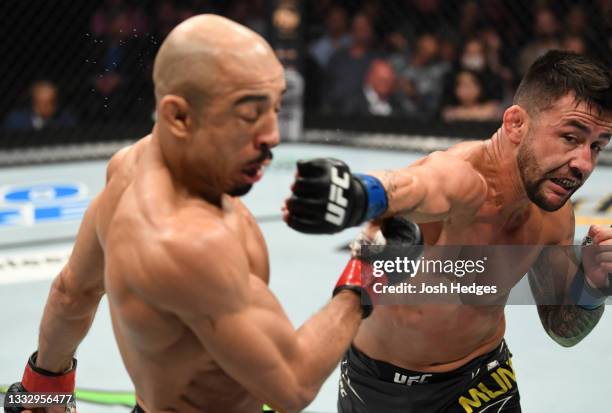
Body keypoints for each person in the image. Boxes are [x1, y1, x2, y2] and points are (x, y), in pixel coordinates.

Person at [5, 15, 366, 413]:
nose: (272, 135)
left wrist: (40, 389)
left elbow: (72, 294)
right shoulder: (184, 241)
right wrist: (366, 276)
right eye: (249, 115)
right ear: (179, 116)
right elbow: (292, 385)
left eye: (276, 109)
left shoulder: (128, 167)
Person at [284, 50, 612, 412]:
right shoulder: (461, 179)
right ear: (517, 124)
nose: (584, 163)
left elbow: (563, 328)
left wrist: (593, 287)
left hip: (482, 380)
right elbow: (409, 185)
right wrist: (356, 193)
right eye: (570, 137)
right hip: (379, 387)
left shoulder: (554, 215)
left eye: (596, 146)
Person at [3, 81, 76, 131]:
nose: (46, 107)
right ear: (33, 102)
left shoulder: (65, 119)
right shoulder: (17, 120)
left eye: (51, 102)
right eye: (41, 102)